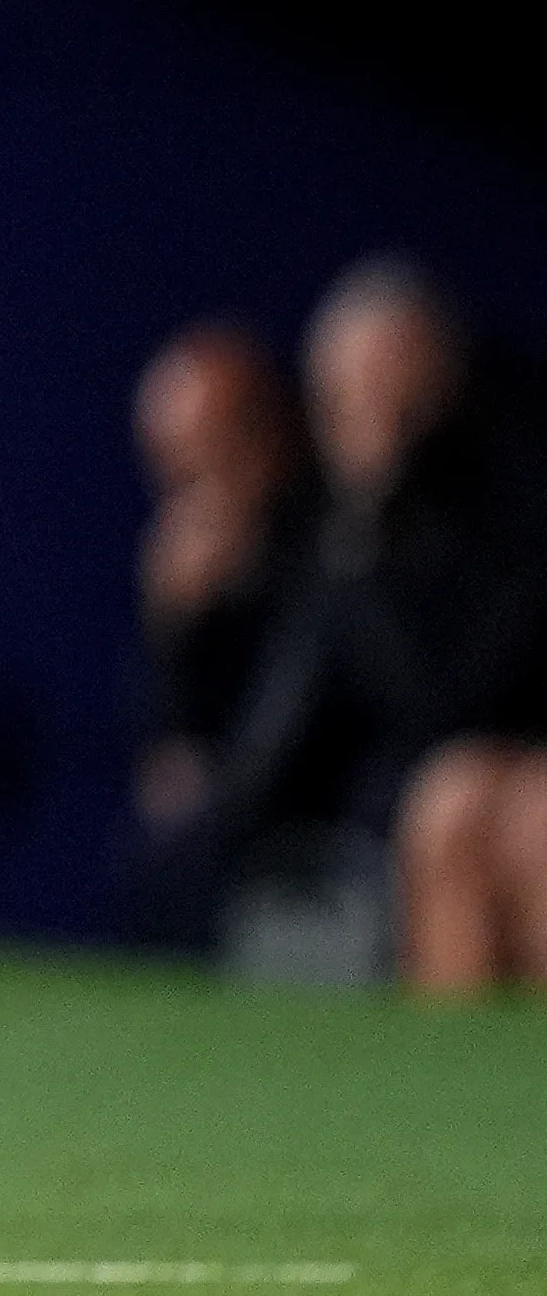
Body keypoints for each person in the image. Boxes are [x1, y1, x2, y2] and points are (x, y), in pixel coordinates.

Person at [206, 262, 547, 991]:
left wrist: (370, 525)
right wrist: (183, 641)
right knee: (454, 802)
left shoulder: (511, 507)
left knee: (486, 806)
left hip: (492, 785)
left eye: (388, 398)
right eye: (340, 400)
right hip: (397, 810)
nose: (361, 423)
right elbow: (271, 743)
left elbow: (455, 699)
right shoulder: (323, 538)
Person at [118, 321, 313, 951]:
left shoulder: (332, 540)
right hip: (237, 814)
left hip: (328, 796)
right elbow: (172, 742)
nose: (191, 491)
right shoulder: (194, 577)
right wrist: (178, 626)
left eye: (209, 454)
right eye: (171, 467)